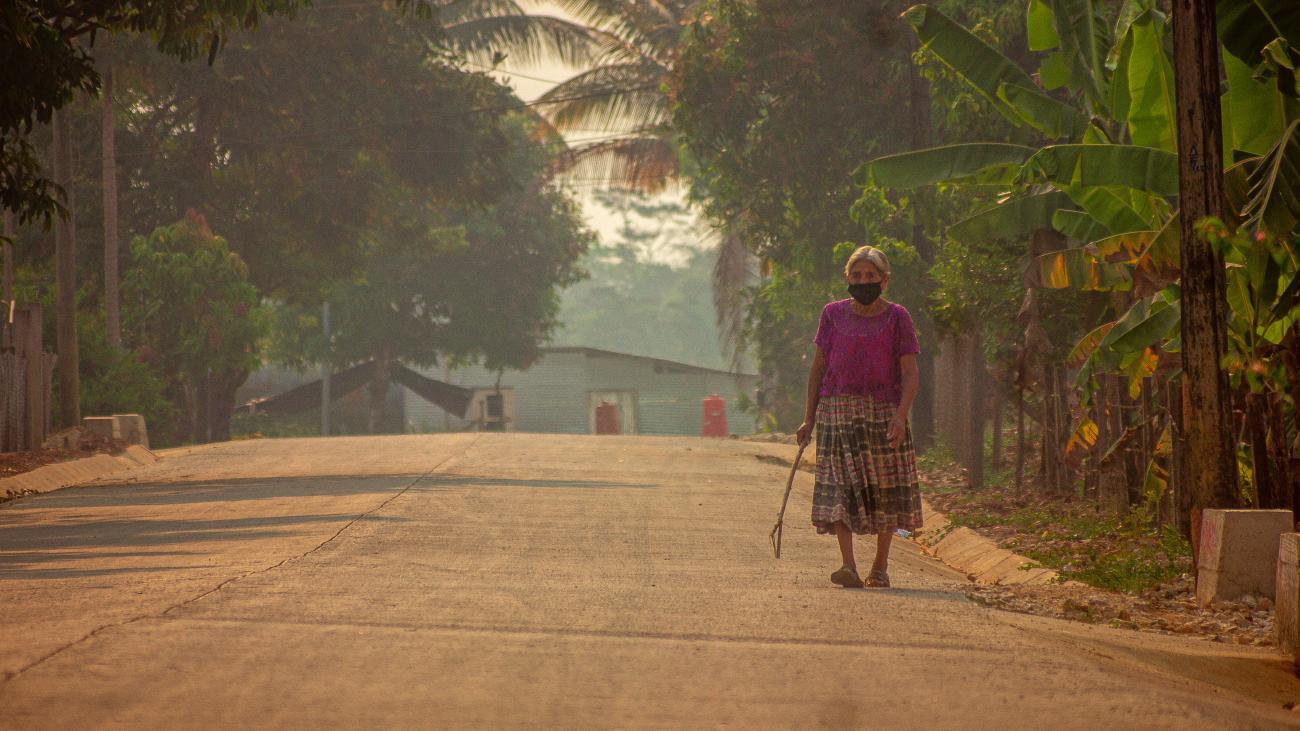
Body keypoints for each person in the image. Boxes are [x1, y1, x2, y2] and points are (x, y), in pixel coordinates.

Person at [795, 245, 922, 588]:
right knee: (841, 489)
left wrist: (900, 416)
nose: (863, 281)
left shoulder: (898, 317)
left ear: (884, 280)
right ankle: (848, 565)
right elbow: (818, 368)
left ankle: (880, 567)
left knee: (884, 490)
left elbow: (910, 373)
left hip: (882, 413)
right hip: (837, 413)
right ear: (847, 278)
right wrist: (809, 418)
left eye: (870, 275)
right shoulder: (832, 314)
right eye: (856, 275)